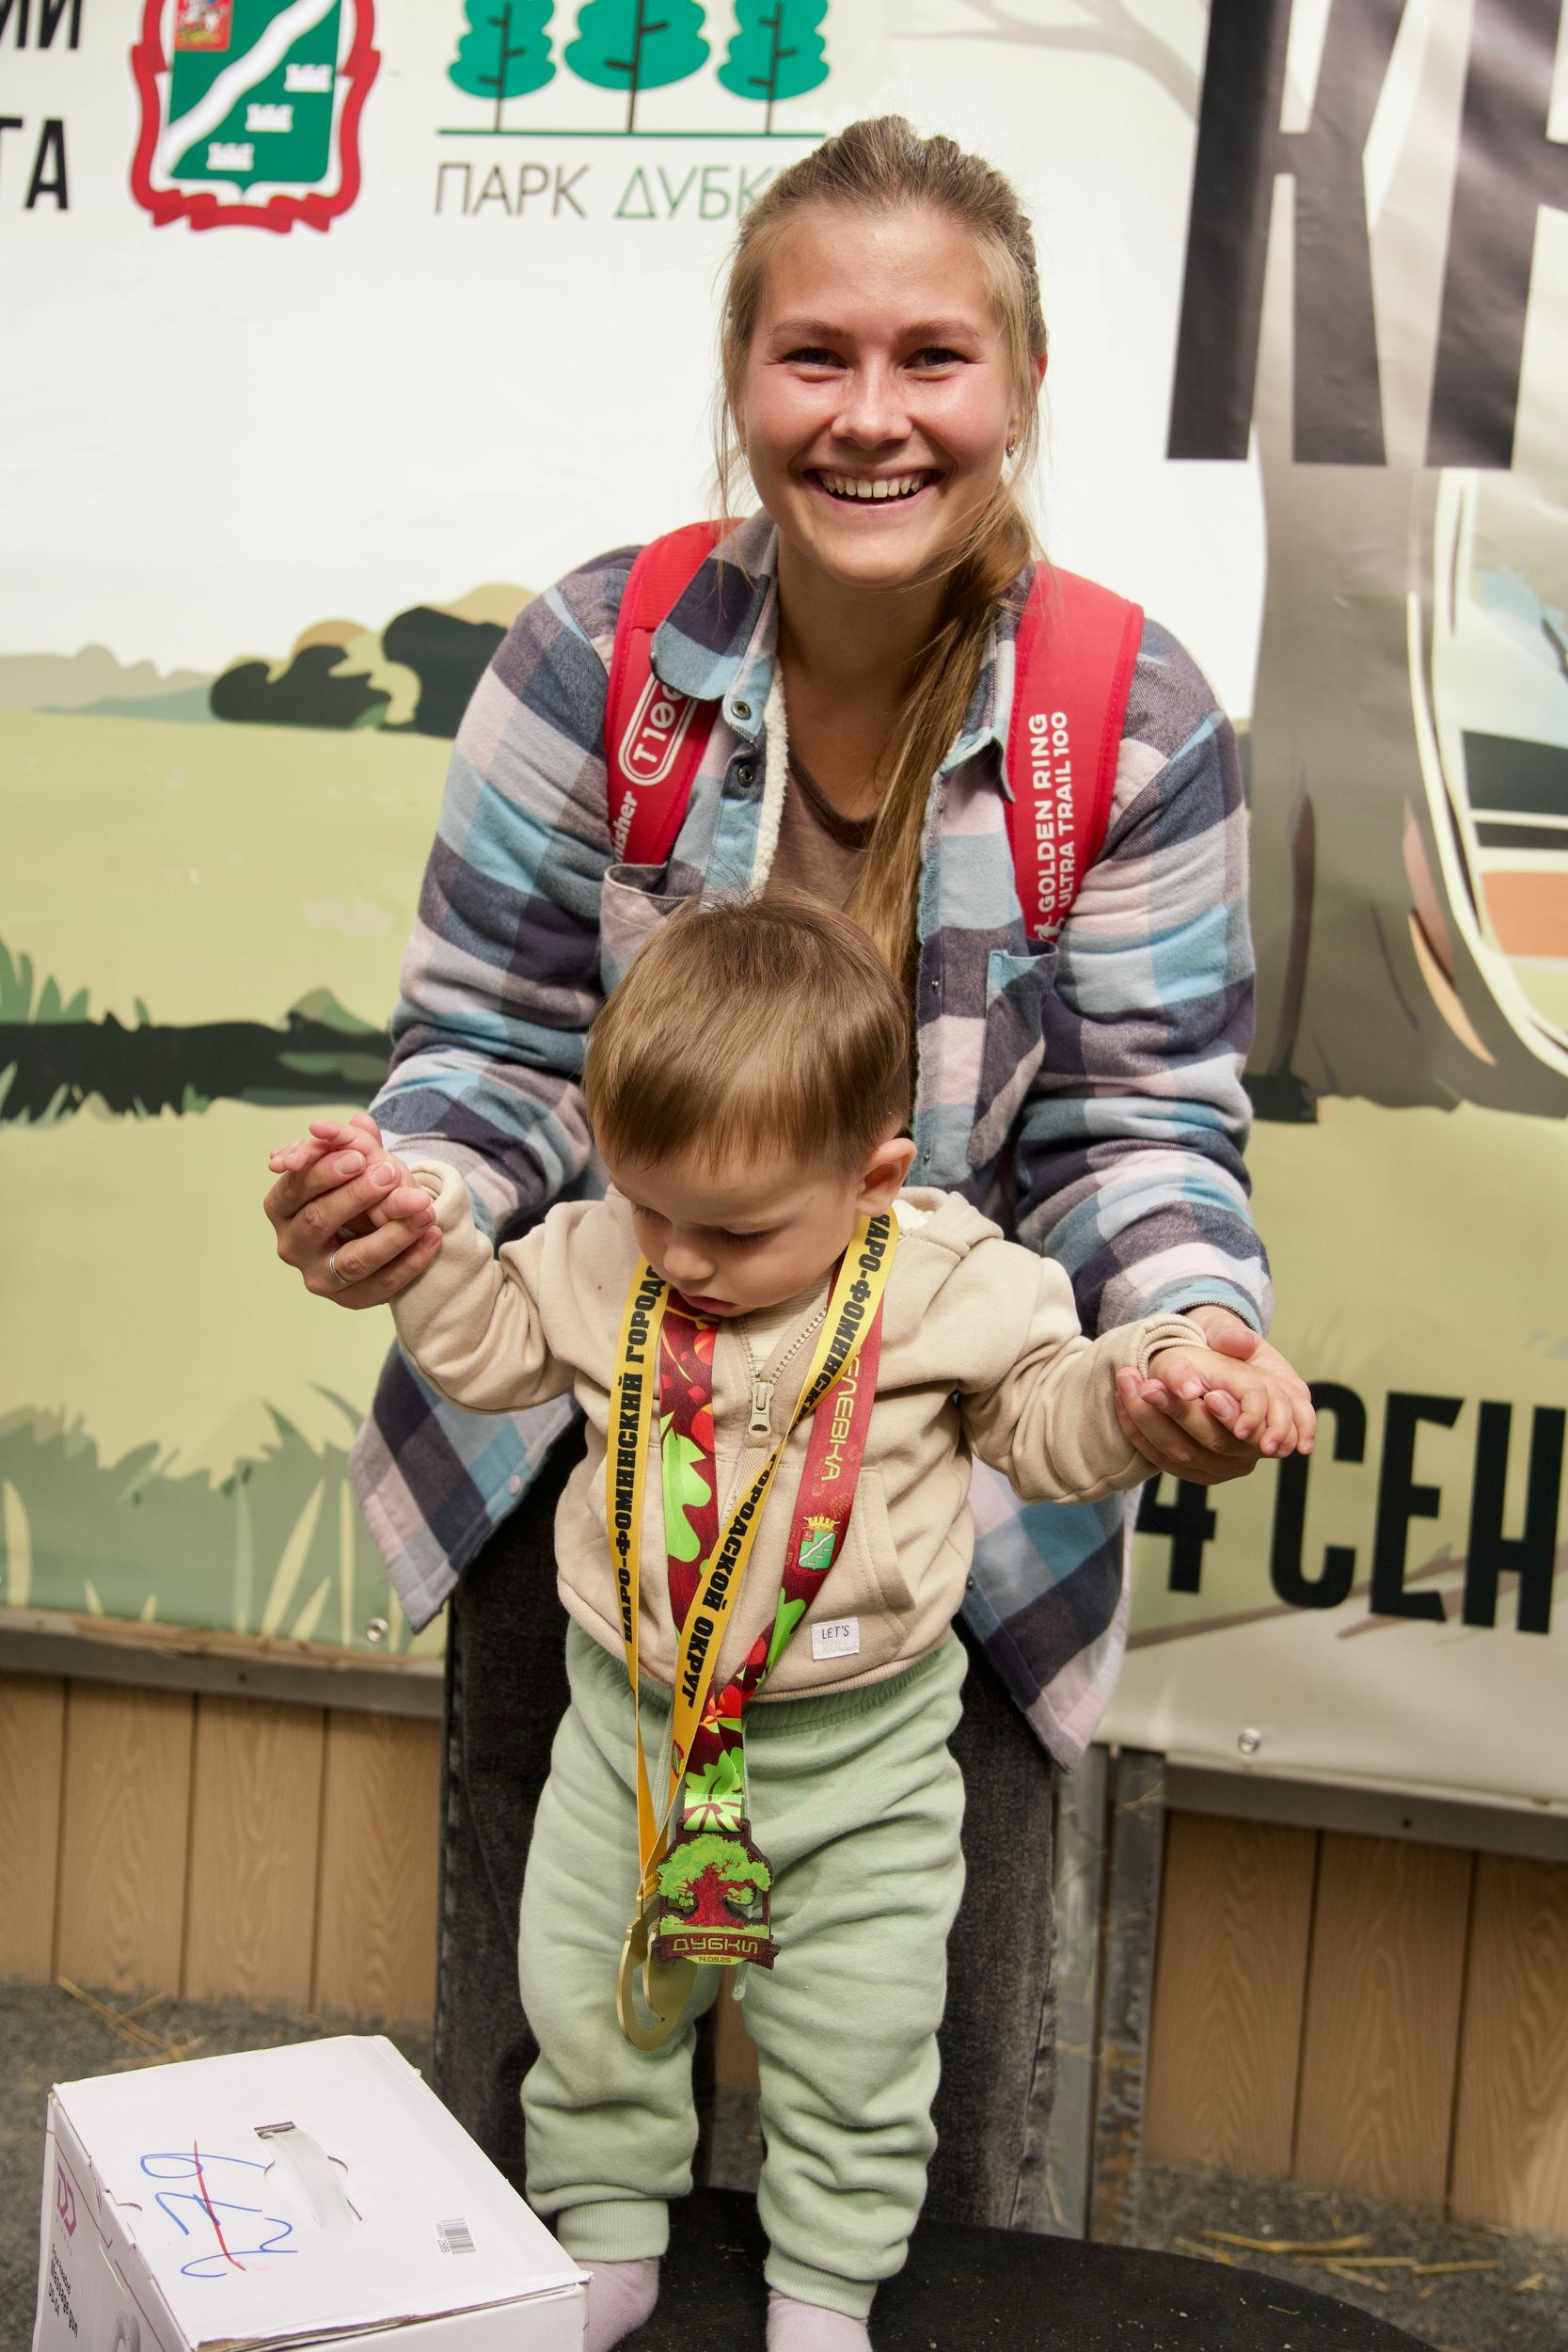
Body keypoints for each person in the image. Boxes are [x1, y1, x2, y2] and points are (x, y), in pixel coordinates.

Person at [263, 115, 1310, 2249]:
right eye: (815, 353)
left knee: (929, 2116)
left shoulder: (1127, 715)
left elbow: (1137, 1130)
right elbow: (487, 1044)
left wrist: (1182, 1334)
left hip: (944, 1510)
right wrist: (417, 1197)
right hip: (600, 1472)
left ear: (1022, 383)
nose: (870, 413)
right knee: (551, 2063)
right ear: (741, 376)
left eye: (934, 357)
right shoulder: (598, 657)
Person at [289, 898, 1305, 2350]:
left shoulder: (953, 1283)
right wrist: (425, 1235)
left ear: (874, 1178)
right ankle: (607, 2236)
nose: (680, 1259)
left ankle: (824, 2284)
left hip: (864, 1757)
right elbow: (491, 1345)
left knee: (859, 2042)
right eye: (650, 1208)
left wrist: (1153, 1378)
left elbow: (1050, 1413)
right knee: (588, 2008)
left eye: (737, 1230)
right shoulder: (603, 1254)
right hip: (634, 1736)